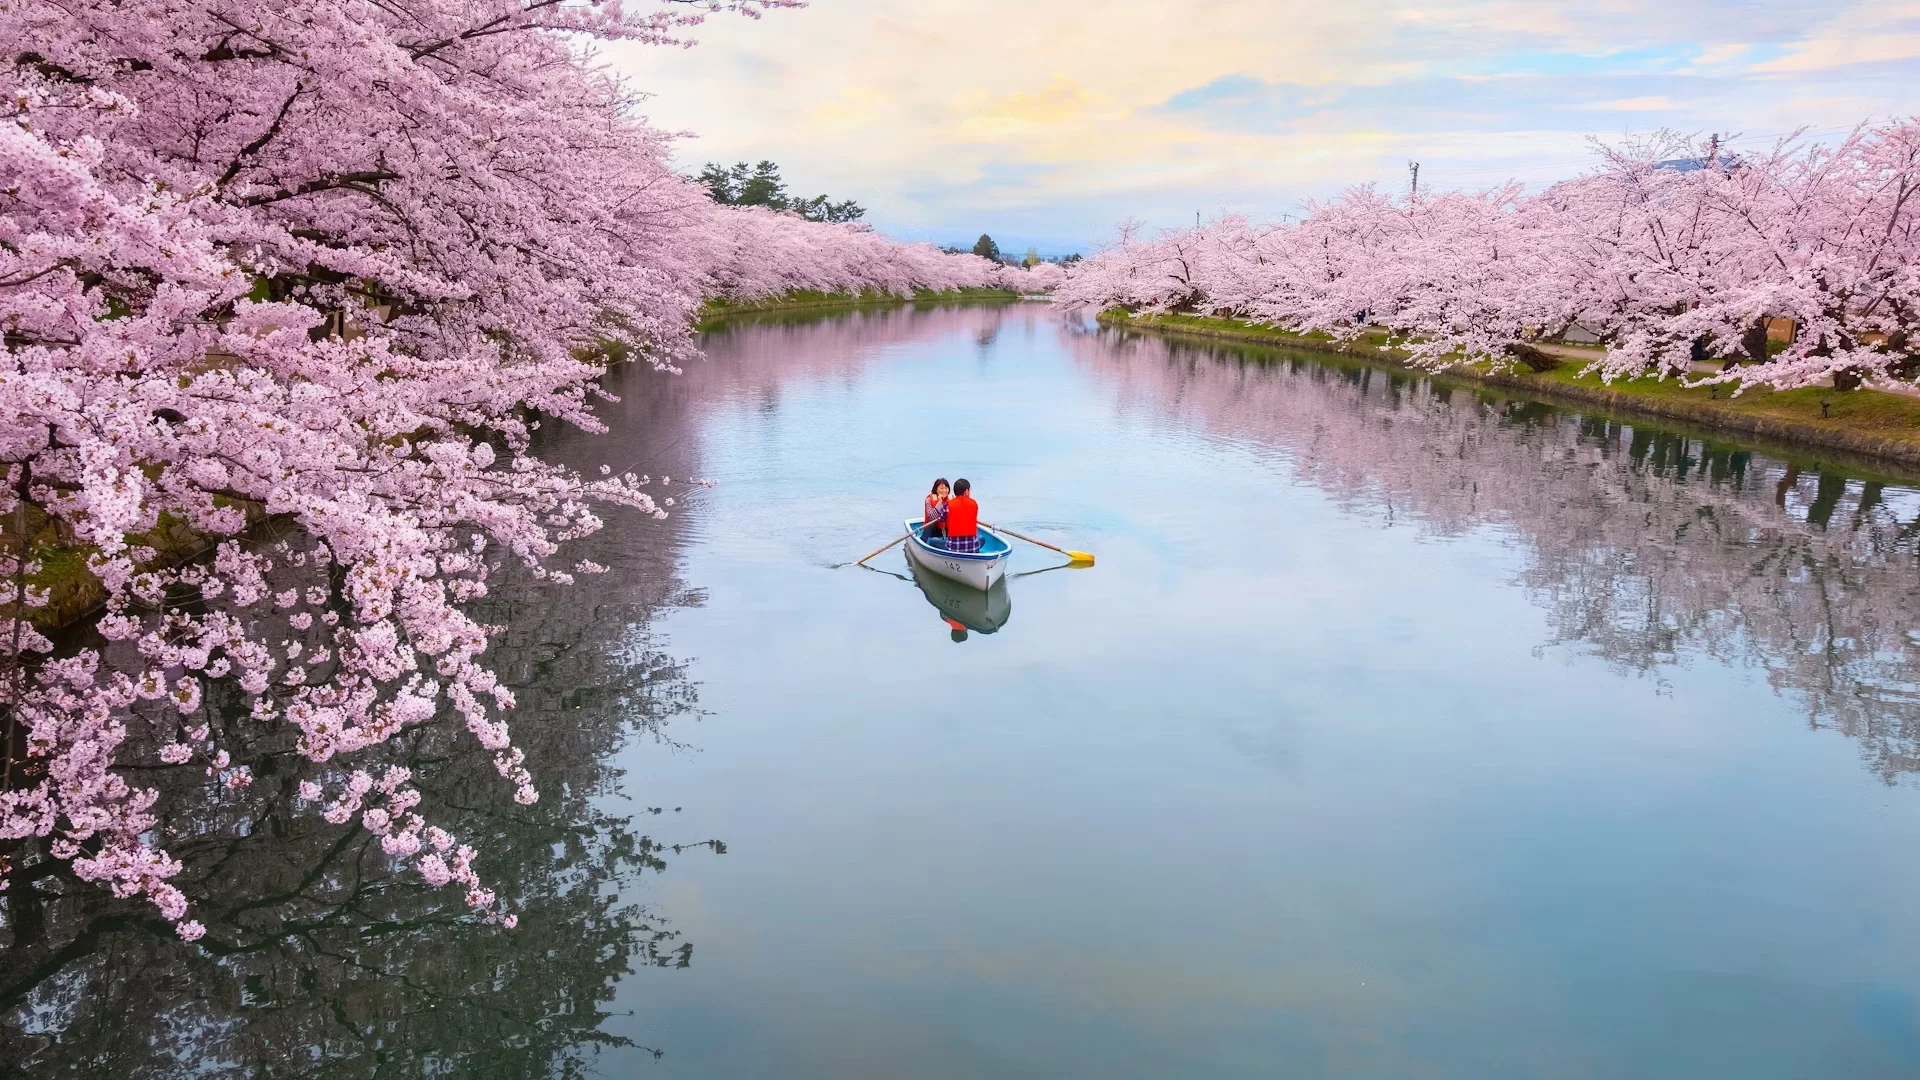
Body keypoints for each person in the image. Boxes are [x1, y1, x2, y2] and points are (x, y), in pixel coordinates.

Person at [944, 477, 980, 552]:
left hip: (953, 549)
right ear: (966, 491)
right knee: (982, 538)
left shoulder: (948, 504)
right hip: (973, 549)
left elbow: (942, 518)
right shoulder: (974, 503)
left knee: (933, 541)